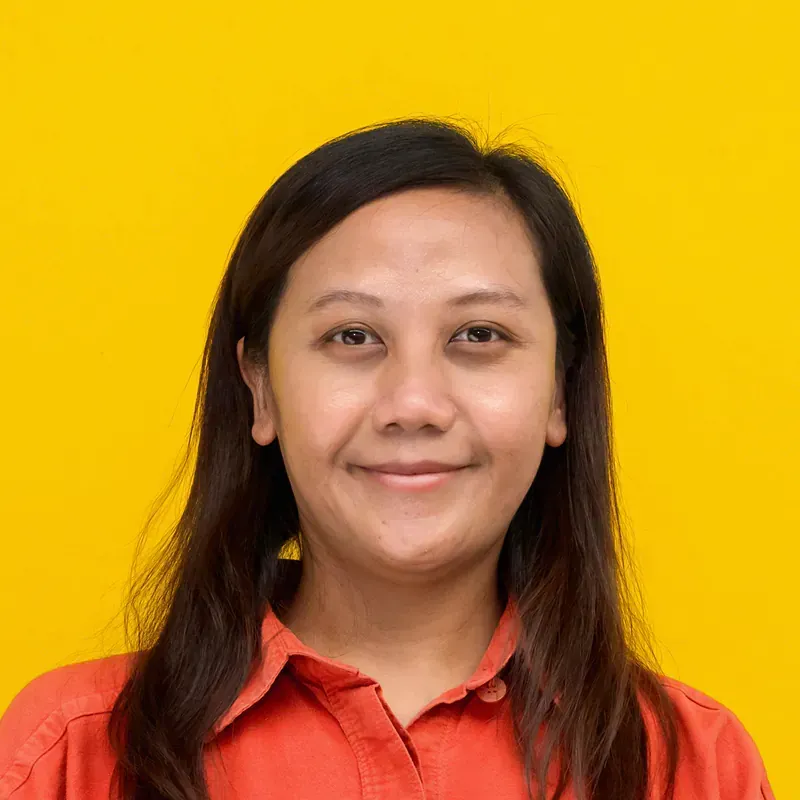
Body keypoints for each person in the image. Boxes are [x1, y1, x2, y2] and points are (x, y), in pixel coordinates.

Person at [0, 117, 775, 800]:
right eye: (352, 337)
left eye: (479, 335)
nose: (414, 403)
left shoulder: (694, 768)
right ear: (260, 391)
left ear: (559, 397)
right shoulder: (70, 754)